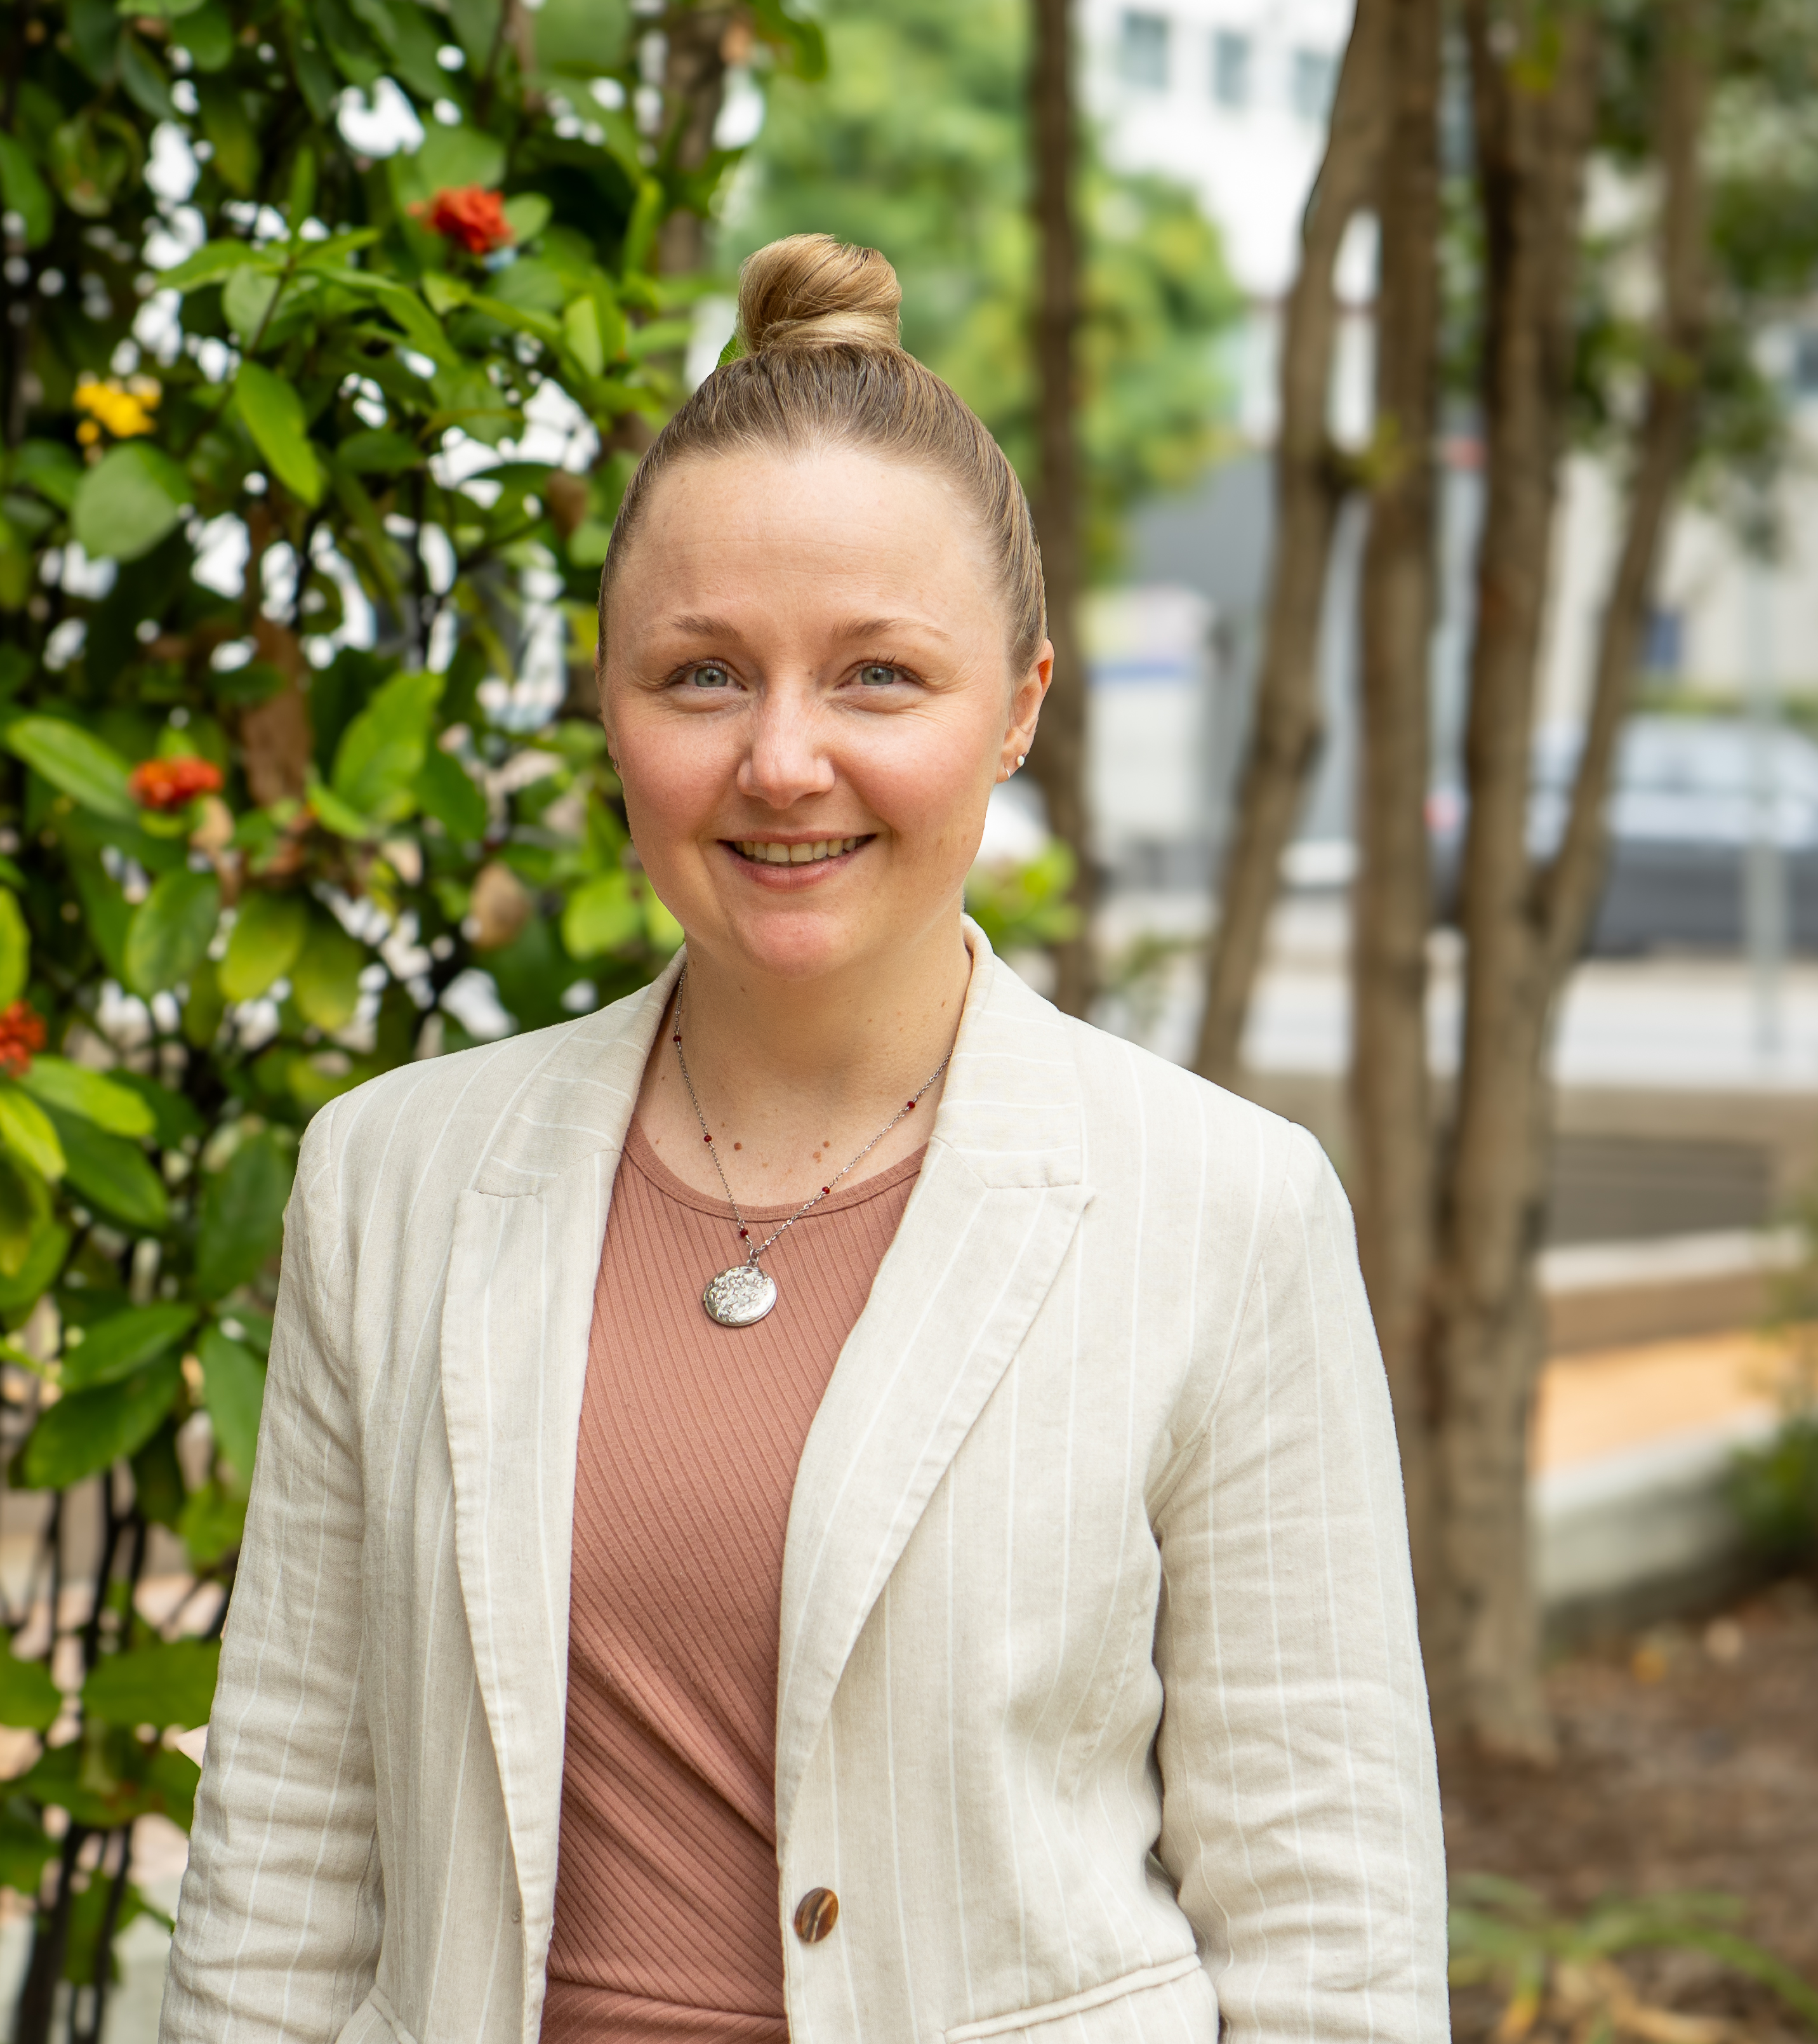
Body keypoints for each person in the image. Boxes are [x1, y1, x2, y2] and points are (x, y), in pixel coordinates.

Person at [160, 234, 1446, 2044]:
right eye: (701, 675)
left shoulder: (1224, 1212)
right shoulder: (392, 1180)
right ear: (608, 703)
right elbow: (282, 1869)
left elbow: (1332, 1945)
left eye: (879, 676)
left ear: (1020, 707)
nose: (780, 760)